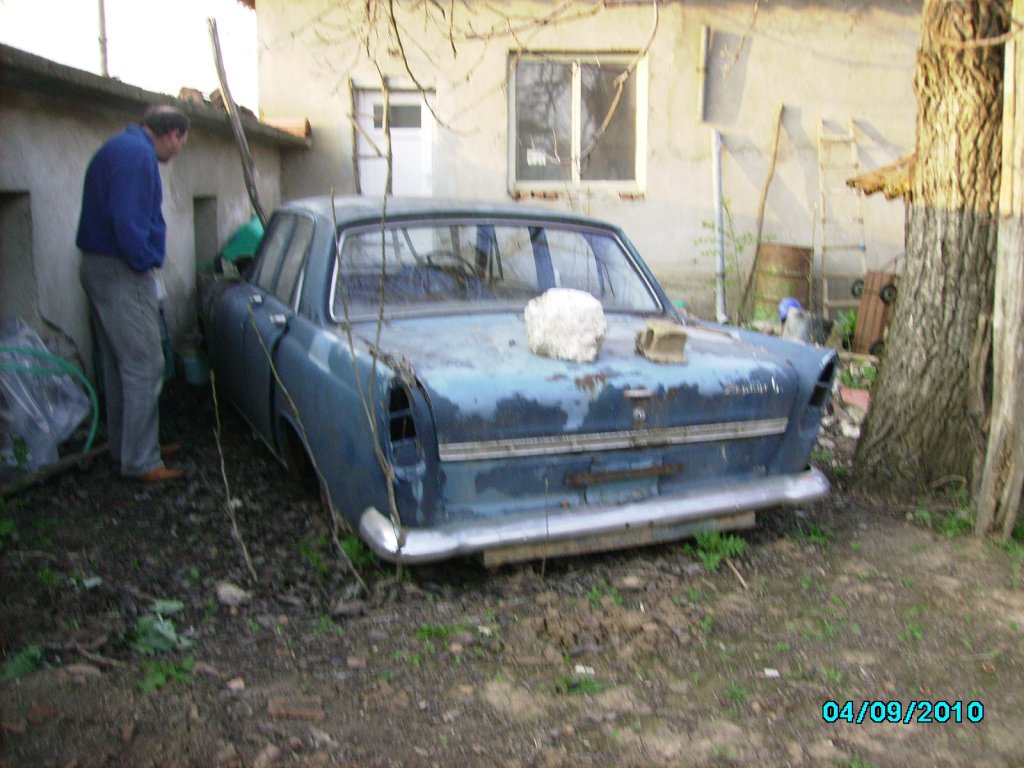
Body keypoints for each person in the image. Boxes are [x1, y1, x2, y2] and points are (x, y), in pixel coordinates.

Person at [76, 105, 190, 482]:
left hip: (100, 266)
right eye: (182, 142)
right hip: (121, 270)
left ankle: (127, 447)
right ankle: (141, 460)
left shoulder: (121, 148)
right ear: (172, 134)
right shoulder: (137, 154)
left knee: (119, 363)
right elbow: (126, 219)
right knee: (146, 362)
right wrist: (145, 260)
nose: (180, 150)